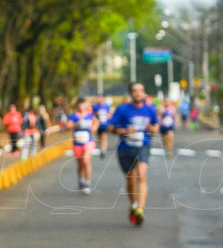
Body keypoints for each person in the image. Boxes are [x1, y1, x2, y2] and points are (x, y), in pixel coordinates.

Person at [108, 82, 159, 226]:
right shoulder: (122, 109)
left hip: (143, 146)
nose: (138, 93)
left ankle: (140, 210)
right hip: (125, 148)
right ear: (131, 93)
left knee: (141, 176)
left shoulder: (150, 109)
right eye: (135, 91)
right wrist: (125, 131)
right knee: (131, 181)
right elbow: (111, 127)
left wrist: (152, 128)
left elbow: (156, 126)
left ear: (144, 93)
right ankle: (134, 204)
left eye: (140, 90)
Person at [66, 98, 98, 194]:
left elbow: (96, 122)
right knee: (80, 164)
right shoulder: (73, 116)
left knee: (86, 160)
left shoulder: (90, 115)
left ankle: (87, 182)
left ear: (85, 105)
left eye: (83, 104)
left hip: (88, 141)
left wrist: (94, 128)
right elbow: (68, 126)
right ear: (77, 106)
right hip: (77, 143)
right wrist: (76, 124)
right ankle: (81, 179)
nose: (81, 106)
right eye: (79, 105)